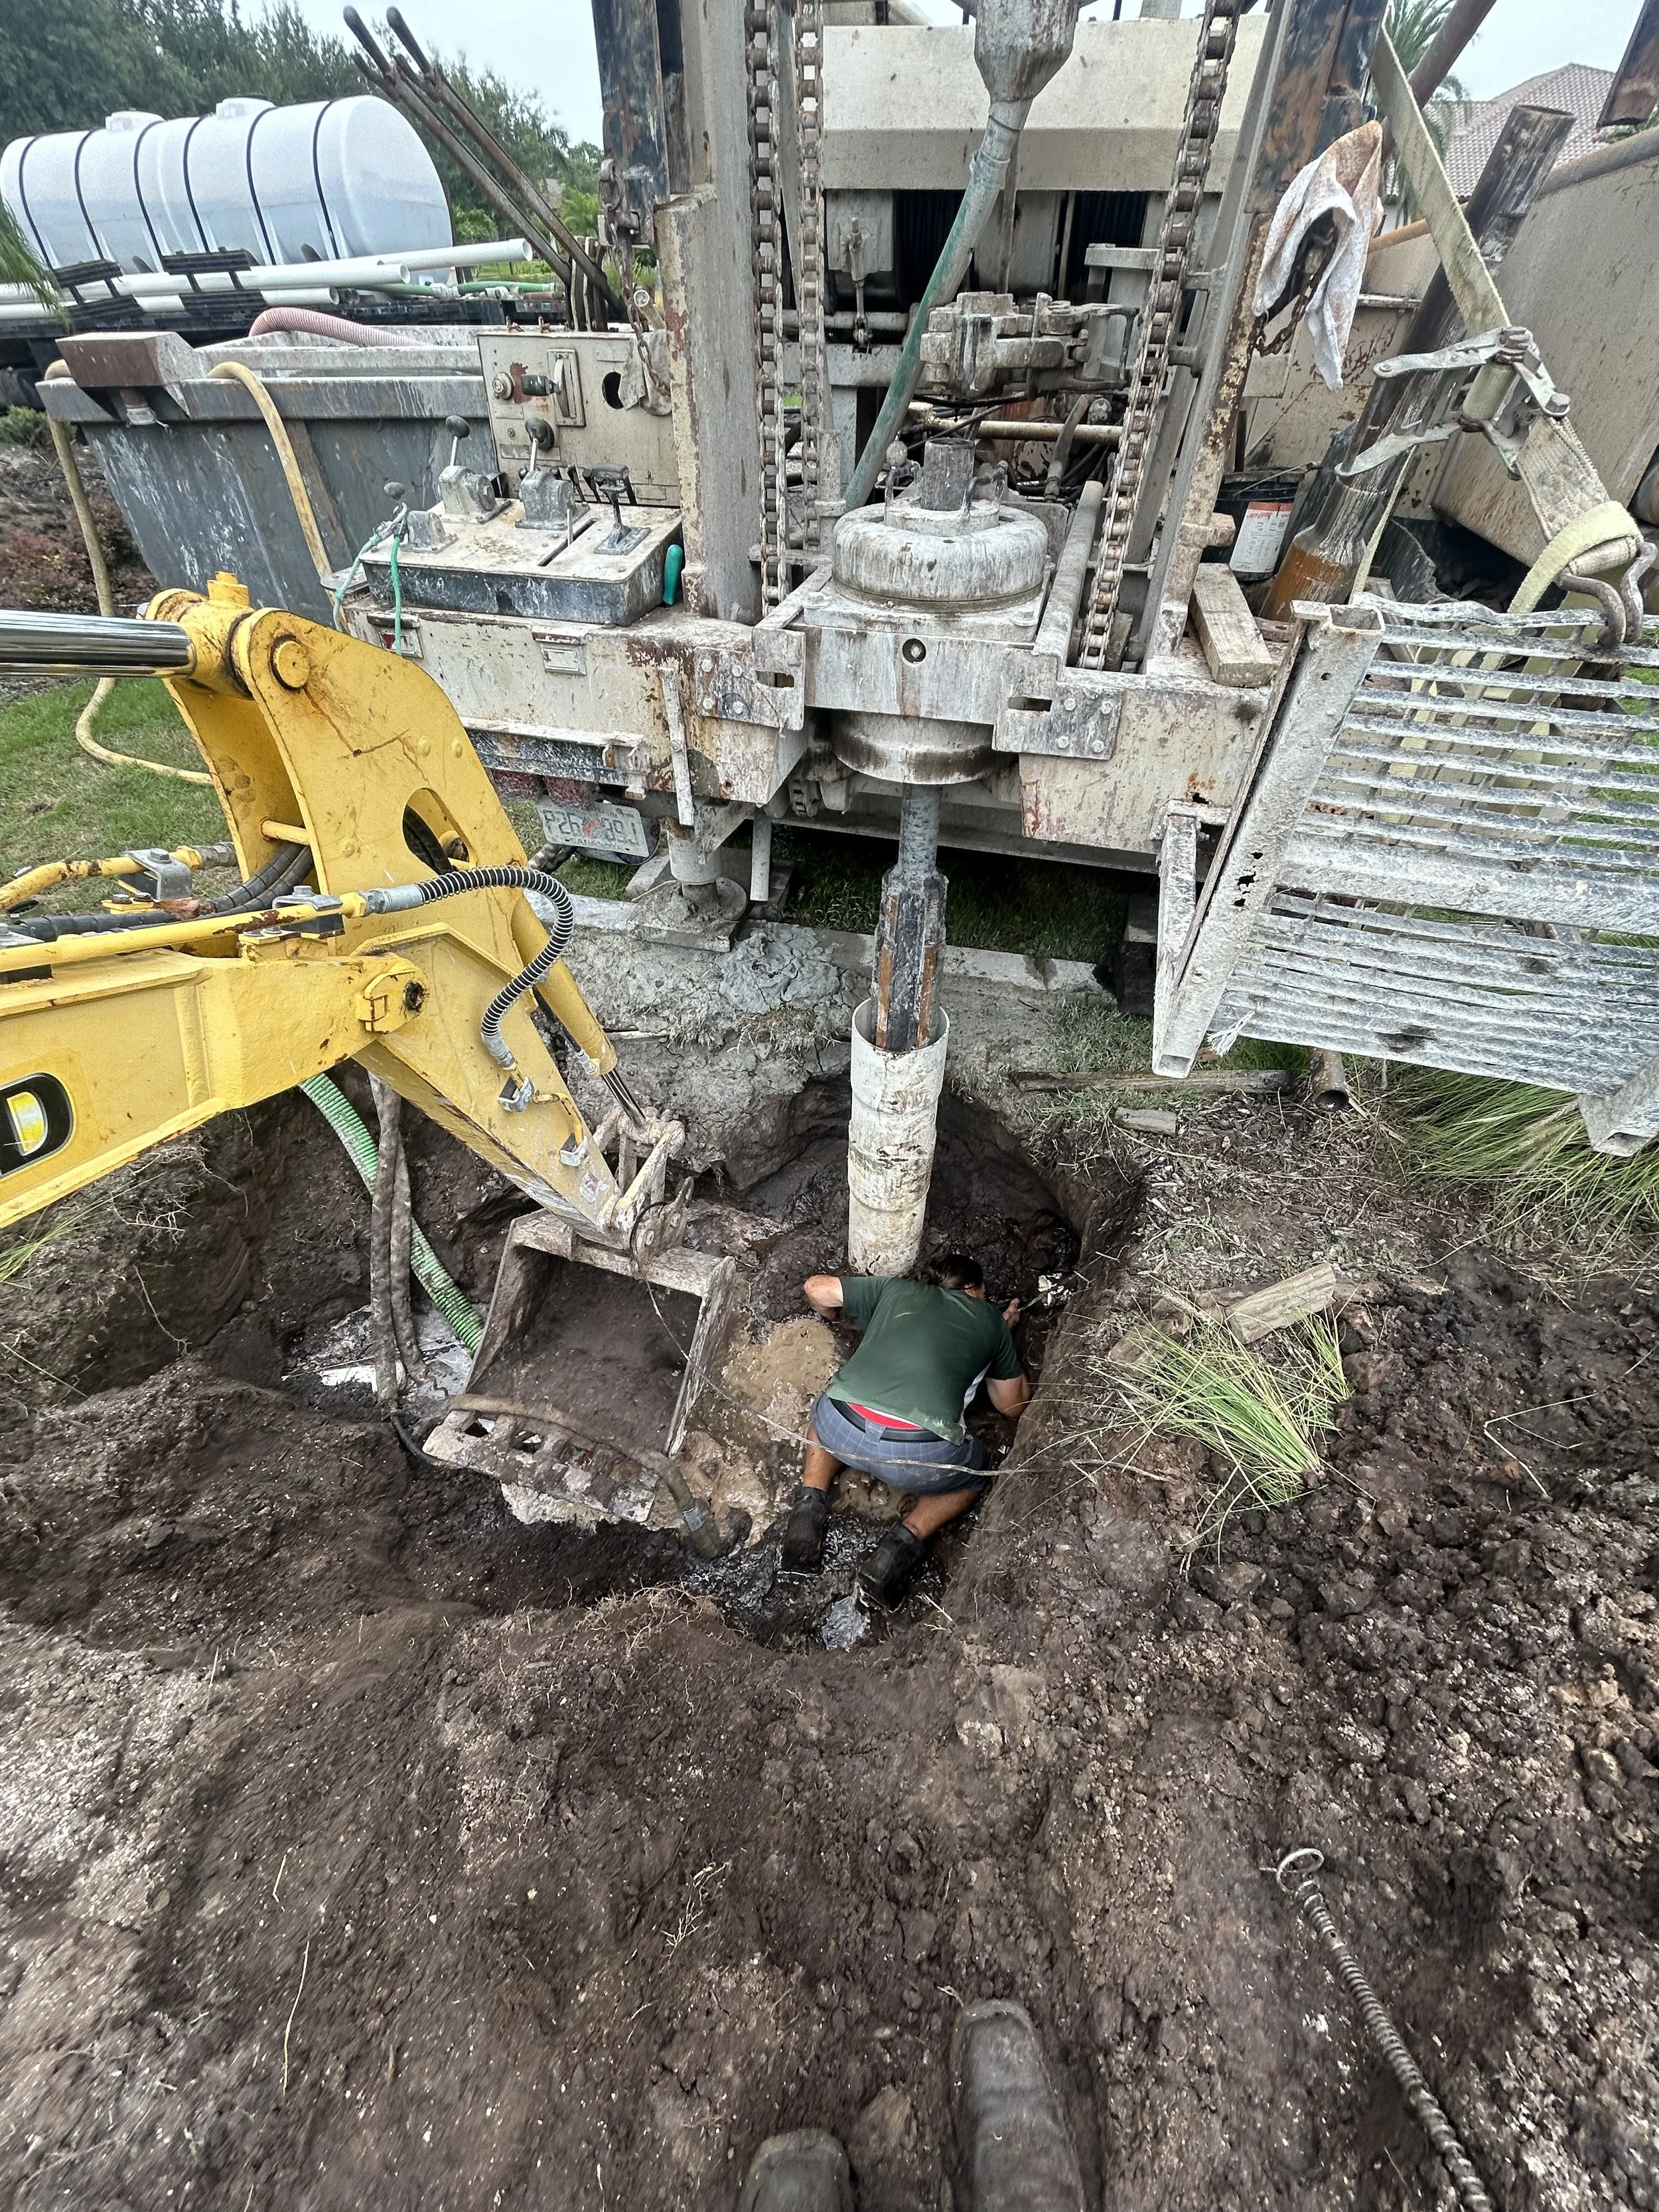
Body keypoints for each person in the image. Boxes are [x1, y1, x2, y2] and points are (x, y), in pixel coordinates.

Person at [779, 1253, 1030, 1605]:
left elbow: (816, 1288)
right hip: (917, 1453)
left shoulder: (893, 1290)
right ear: (973, 1289)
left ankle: (807, 1511)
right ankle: (897, 1549)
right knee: (975, 1473)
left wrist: (835, 1316)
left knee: (822, 1424)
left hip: (843, 1425)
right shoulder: (990, 1319)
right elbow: (1012, 1406)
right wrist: (1002, 1338)